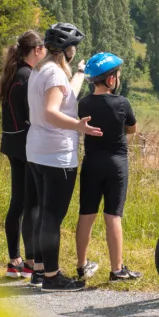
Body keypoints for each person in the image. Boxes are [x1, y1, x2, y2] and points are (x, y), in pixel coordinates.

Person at [26, 22, 102, 292]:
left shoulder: (41, 70)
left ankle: (38, 271)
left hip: (37, 150)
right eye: (74, 47)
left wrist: (80, 72)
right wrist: (79, 127)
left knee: (43, 213)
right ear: (66, 49)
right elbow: (51, 111)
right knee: (52, 217)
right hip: (56, 153)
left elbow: (67, 93)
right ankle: (52, 277)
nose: (75, 51)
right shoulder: (54, 75)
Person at [76, 52, 142, 281]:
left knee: (86, 214)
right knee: (113, 215)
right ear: (111, 79)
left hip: (91, 163)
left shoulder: (83, 103)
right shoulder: (122, 102)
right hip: (116, 163)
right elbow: (132, 129)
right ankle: (116, 269)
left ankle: (82, 265)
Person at [0, 30, 46, 281]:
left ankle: (13, 260)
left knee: (17, 202)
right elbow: (35, 113)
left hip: (11, 143)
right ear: (37, 50)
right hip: (26, 146)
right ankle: (30, 262)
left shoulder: (14, 74)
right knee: (32, 204)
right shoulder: (28, 77)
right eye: (44, 48)